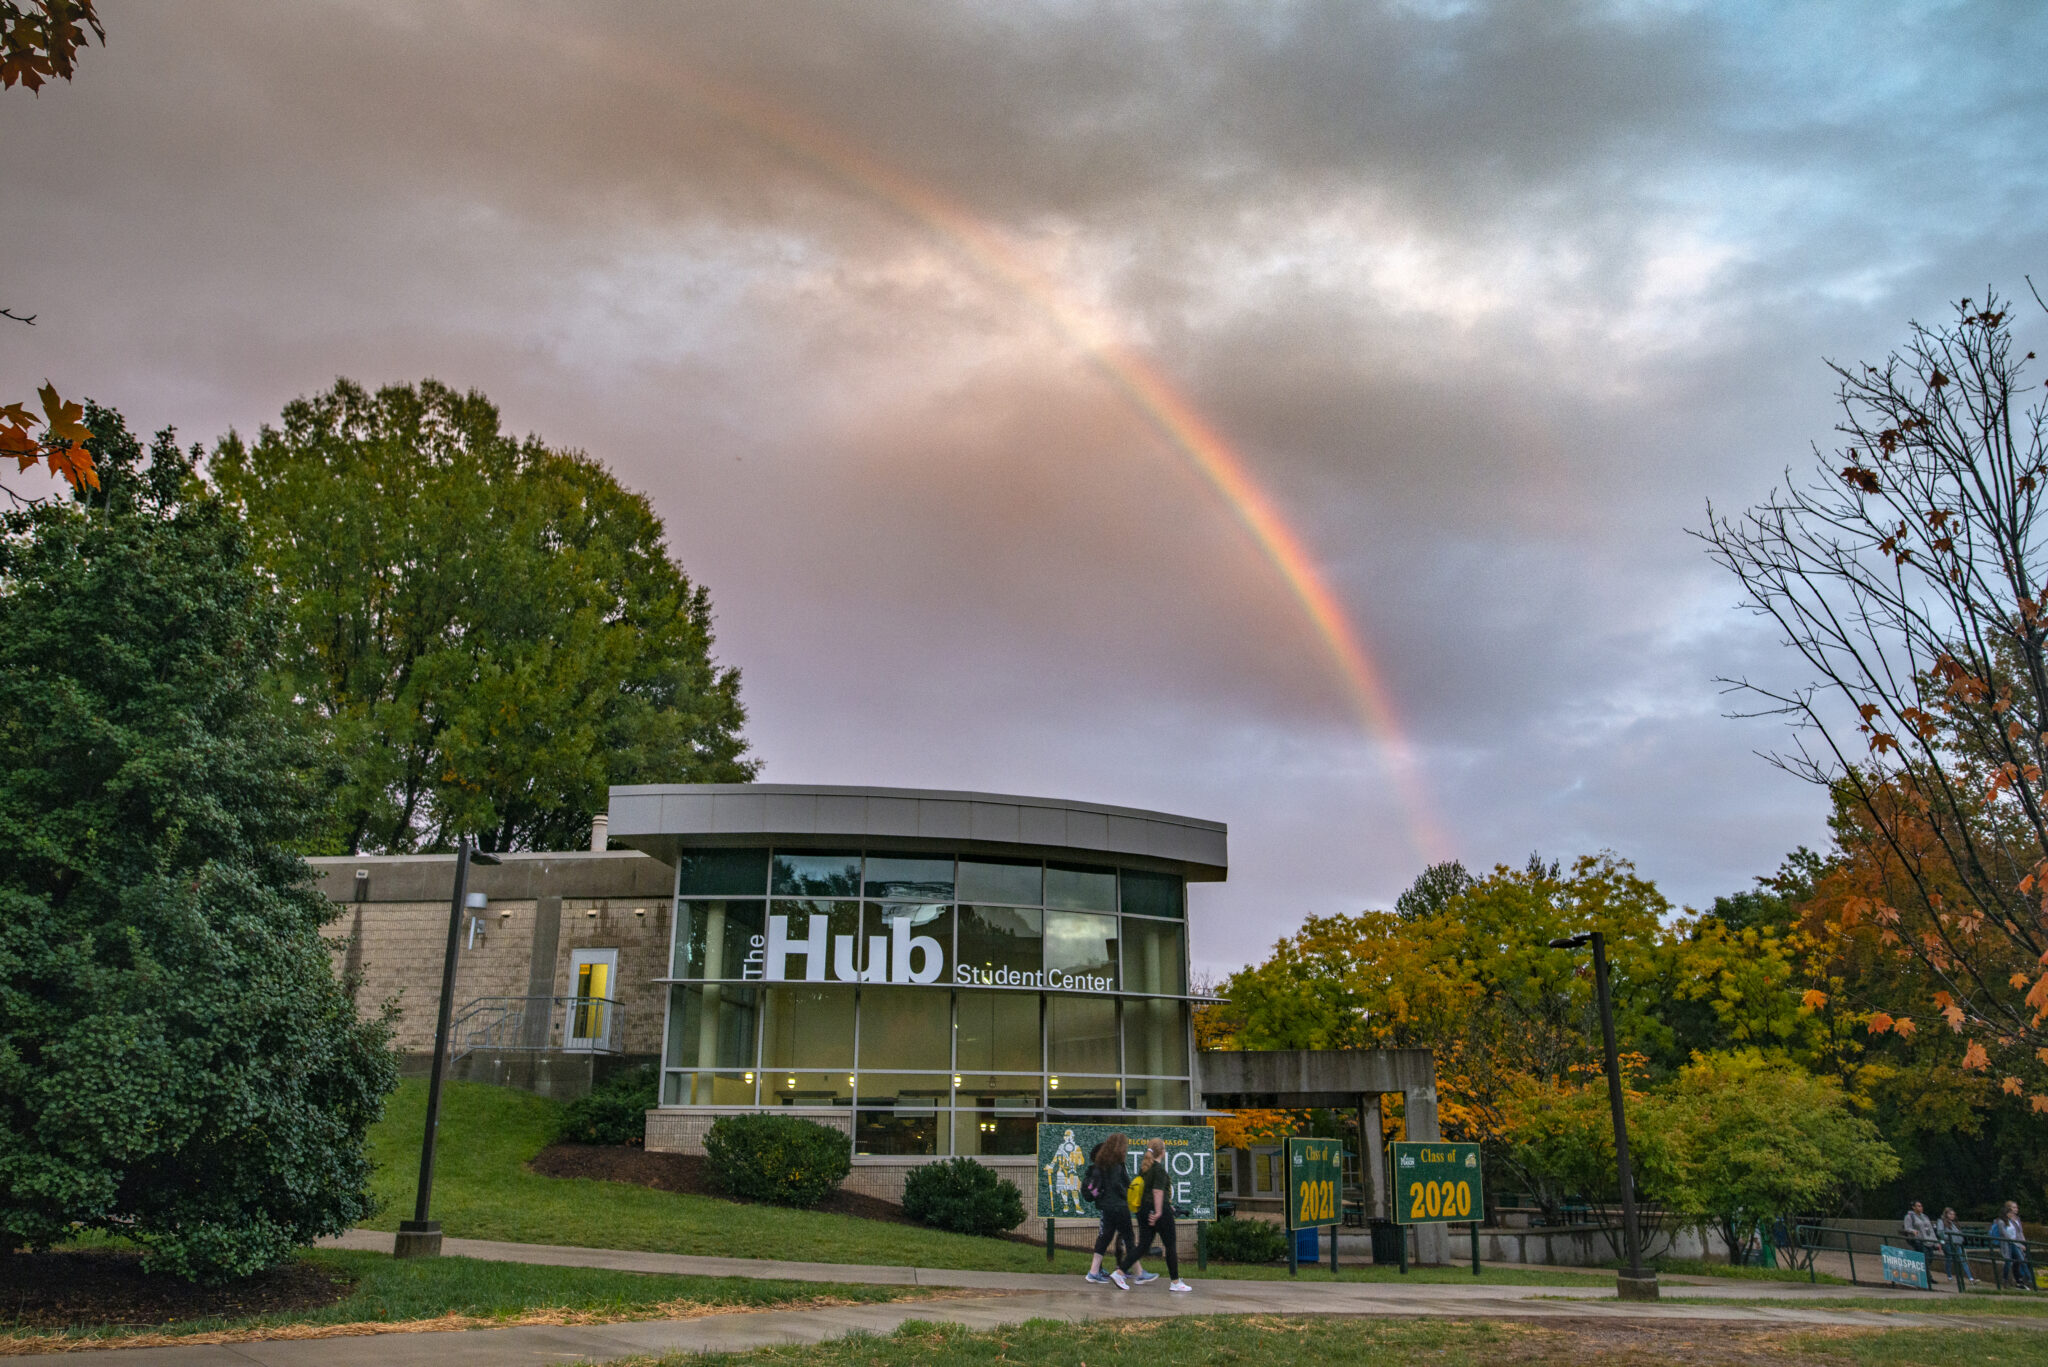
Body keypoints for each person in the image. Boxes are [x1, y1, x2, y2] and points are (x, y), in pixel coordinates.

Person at [1119, 1137, 1191, 1293]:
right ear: (1162, 1152)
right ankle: (1175, 1281)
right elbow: (1157, 1191)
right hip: (1159, 1211)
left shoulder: (1145, 1169)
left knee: (1143, 1245)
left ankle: (1120, 1272)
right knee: (1170, 1245)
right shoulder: (1159, 1170)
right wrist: (1159, 1212)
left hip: (1143, 1210)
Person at [1082, 1133, 1139, 1288]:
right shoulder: (1116, 1164)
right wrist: (1128, 1195)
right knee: (1128, 1237)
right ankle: (1129, 1272)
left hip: (1106, 1207)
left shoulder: (1102, 1163)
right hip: (1118, 1206)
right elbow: (1119, 1185)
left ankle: (1094, 1271)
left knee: (1106, 1237)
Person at [1992, 1202, 2036, 1291]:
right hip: (2007, 1244)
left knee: (2021, 1260)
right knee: (2008, 1262)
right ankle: (2005, 1280)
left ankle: (2029, 1280)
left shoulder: (2012, 1221)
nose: (2012, 1214)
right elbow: (2004, 1234)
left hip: (2014, 1244)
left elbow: (2018, 1233)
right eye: (2010, 1212)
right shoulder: (2001, 1222)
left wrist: (2021, 1243)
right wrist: (2017, 1243)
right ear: (2006, 1213)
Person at [1937, 1208, 1977, 1286]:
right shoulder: (1941, 1221)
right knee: (1949, 1259)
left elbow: (1959, 1232)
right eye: (1950, 1214)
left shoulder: (1955, 1223)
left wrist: (1961, 1239)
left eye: (1953, 1214)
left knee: (1962, 1260)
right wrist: (1949, 1237)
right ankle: (1949, 1276)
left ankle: (1971, 1278)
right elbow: (1940, 1233)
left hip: (1957, 1244)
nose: (1952, 1216)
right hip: (1948, 1243)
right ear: (1946, 1214)